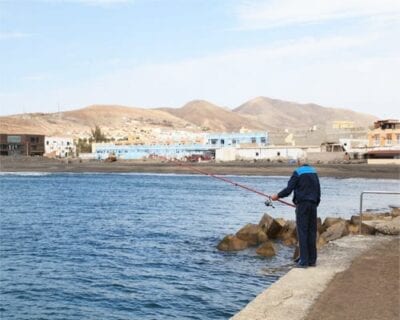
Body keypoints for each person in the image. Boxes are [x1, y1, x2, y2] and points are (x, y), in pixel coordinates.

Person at [271, 163, 321, 268]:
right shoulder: (314, 172)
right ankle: (311, 259)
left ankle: (304, 261)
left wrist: (277, 196)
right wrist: (315, 203)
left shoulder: (297, 172)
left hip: (303, 205)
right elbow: (318, 190)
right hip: (313, 204)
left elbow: (289, 190)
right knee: (311, 232)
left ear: (299, 165)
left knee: (302, 232)